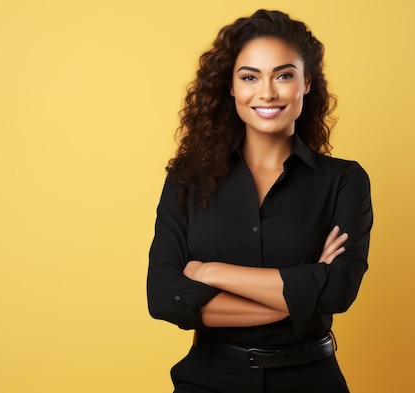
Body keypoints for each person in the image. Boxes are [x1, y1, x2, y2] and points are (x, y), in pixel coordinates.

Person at [147, 9, 373, 393]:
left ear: (306, 83)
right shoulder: (187, 179)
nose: (267, 92)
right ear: (231, 87)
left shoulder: (344, 180)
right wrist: (304, 294)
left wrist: (209, 272)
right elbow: (165, 297)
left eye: (284, 75)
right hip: (209, 380)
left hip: (311, 381)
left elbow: (338, 291)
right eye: (249, 77)